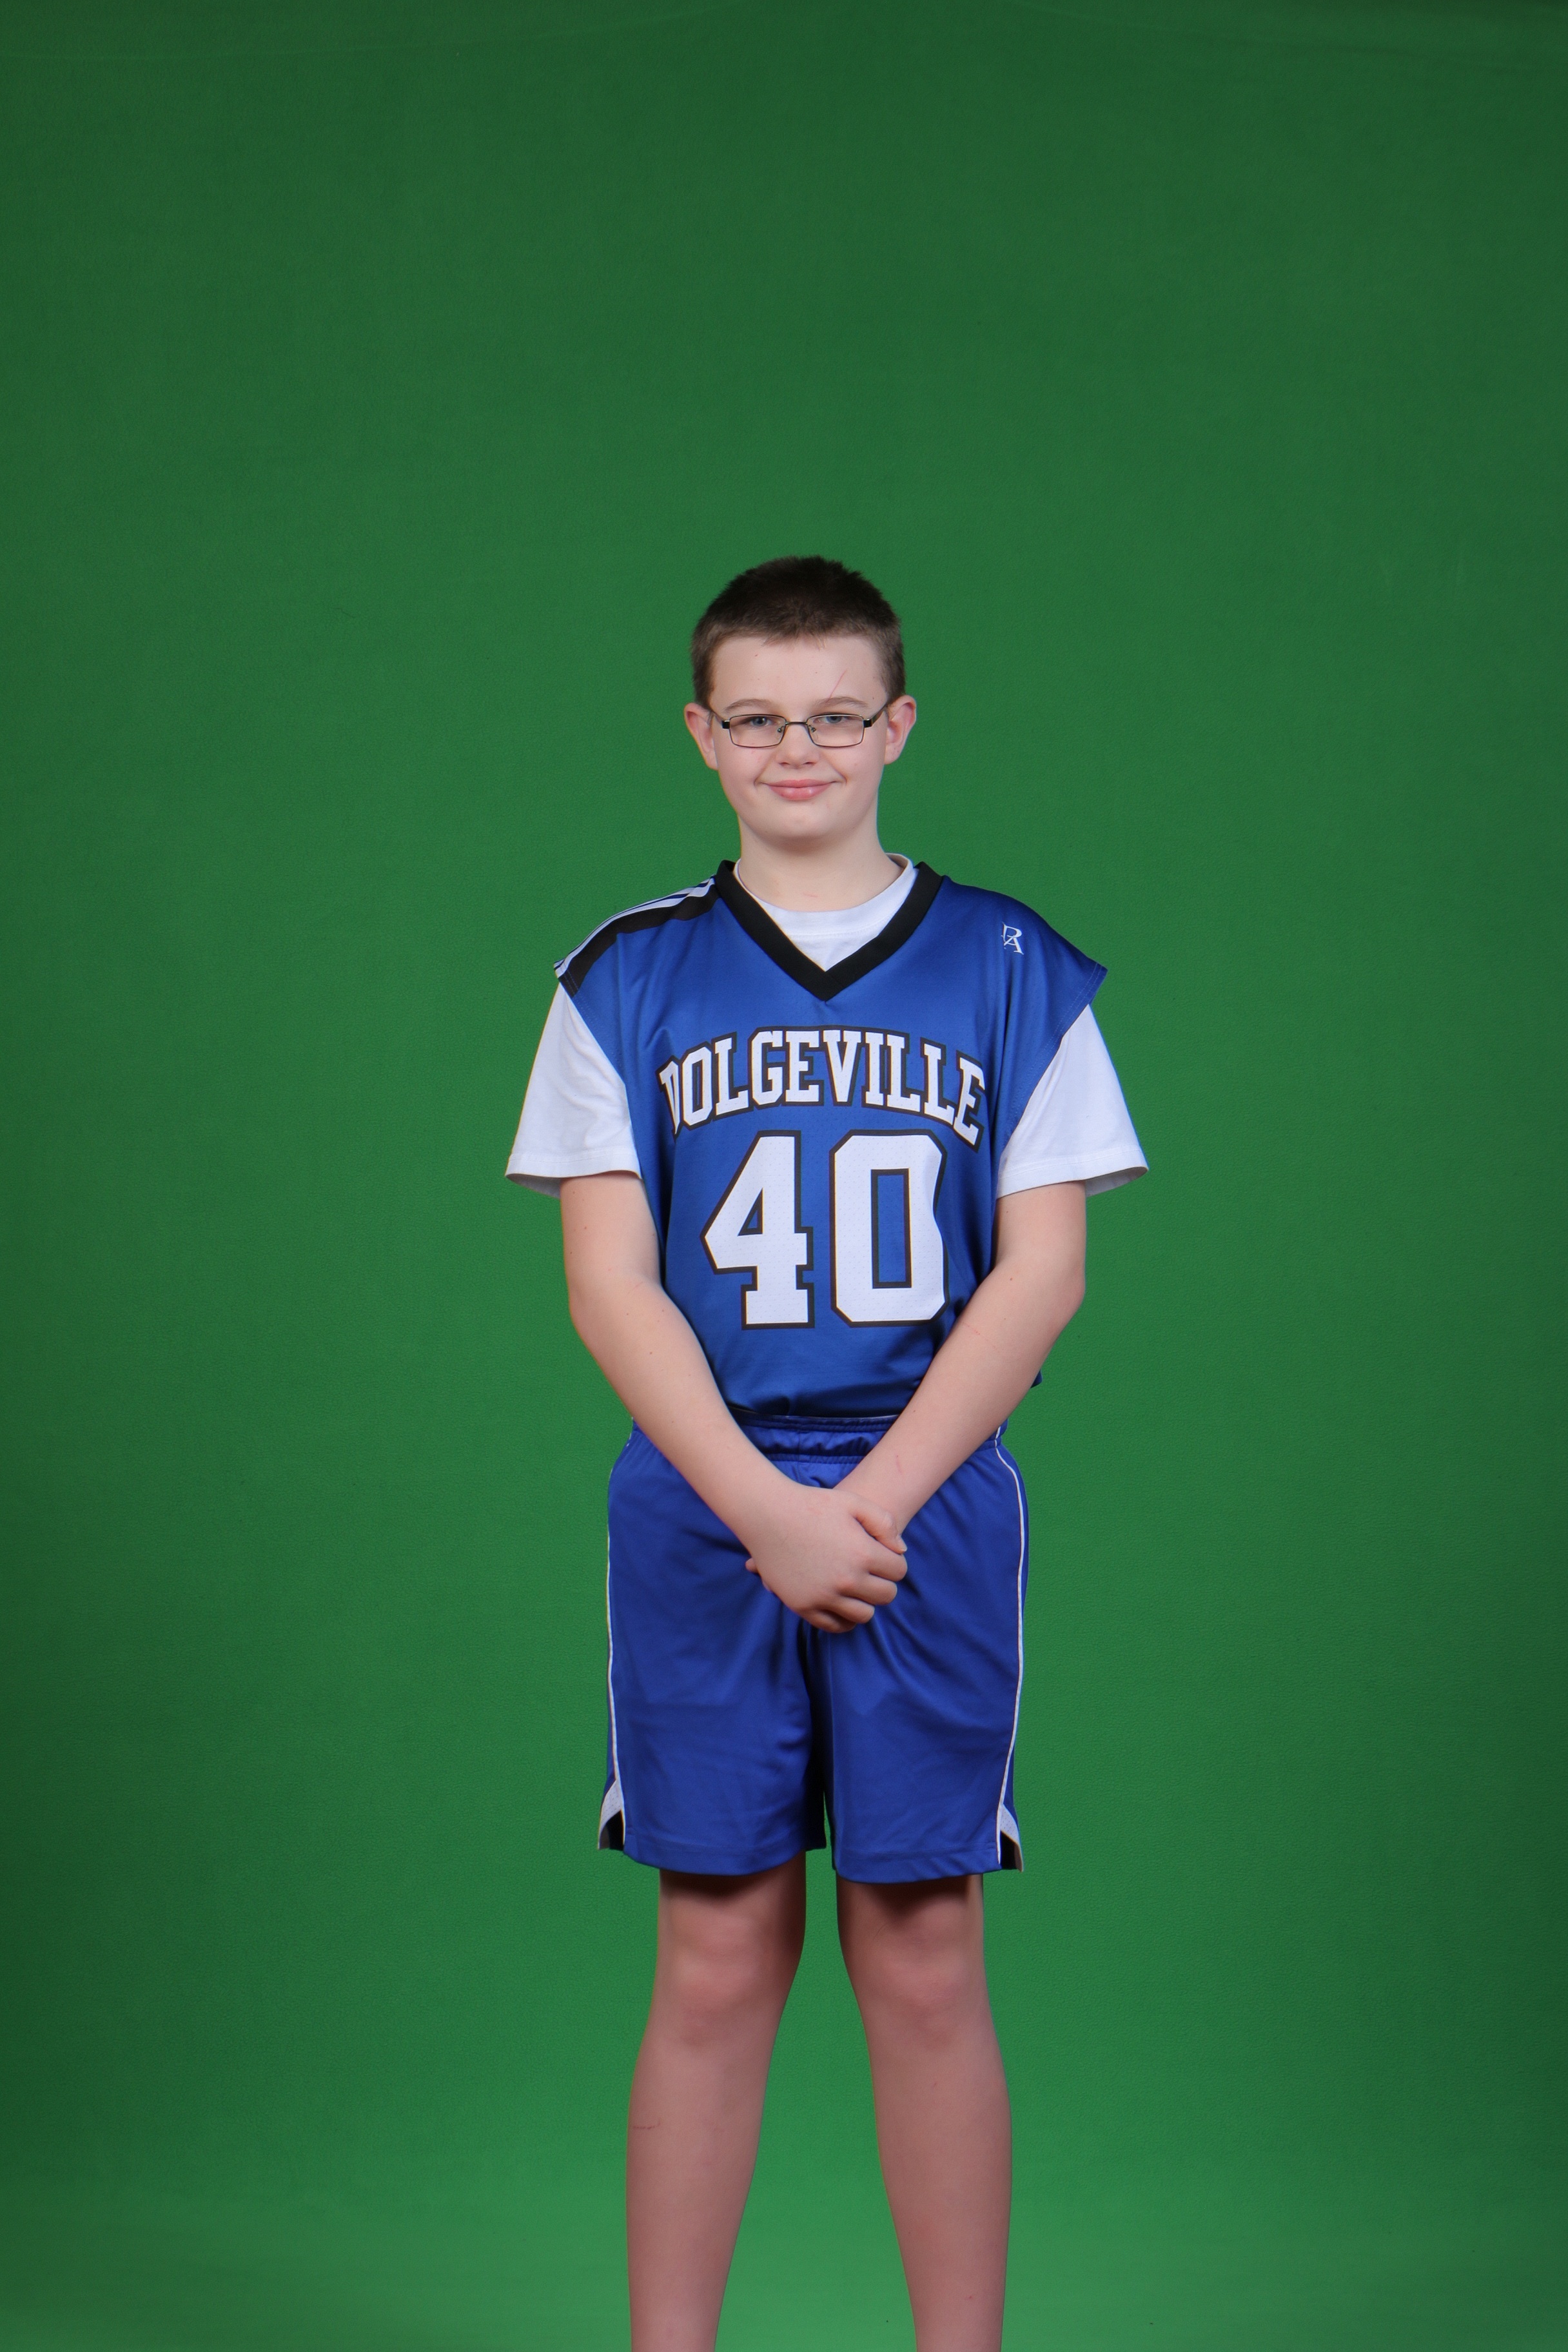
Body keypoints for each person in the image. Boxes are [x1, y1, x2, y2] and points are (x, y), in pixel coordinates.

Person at [507, 555, 1146, 2352]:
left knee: (923, 1948)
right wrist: (761, 1509)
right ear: (704, 736)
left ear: (899, 727)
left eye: (837, 716)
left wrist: (863, 1504)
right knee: (714, 1945)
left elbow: (1044, 1274)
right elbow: (608, 1284)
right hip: (706, 1498)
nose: (801, 749)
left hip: (922, 1496)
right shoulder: (623, 978)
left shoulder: (1013, 966)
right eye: (762, 719)